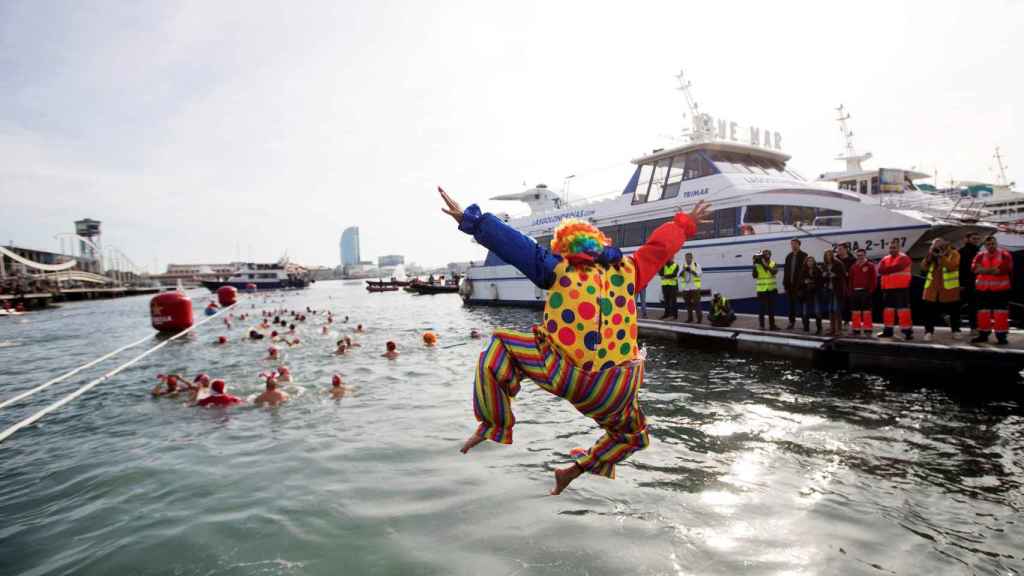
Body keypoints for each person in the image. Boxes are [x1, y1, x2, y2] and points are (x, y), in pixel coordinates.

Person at [441, 186, 708, 495]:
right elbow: (659, 248)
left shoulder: (559, 268)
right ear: (603, 246)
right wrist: (684, 224)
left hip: (567, 373)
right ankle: (574, 470)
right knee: (634, 437)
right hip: (616, 388)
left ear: (565, 248)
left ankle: (494, 425)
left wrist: (471, 220)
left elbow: (515, 246)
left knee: (501, 349)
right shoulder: (630, 270)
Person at [971, 235, 1013, 345]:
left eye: (993, 243)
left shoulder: (1004, 254)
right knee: (982, 313)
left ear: (996, 243)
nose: (991, 246)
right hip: (983, 290)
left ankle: (1001, 336)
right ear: (985, 245)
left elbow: (1005, 269)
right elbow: (974, 269)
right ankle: (983, 335)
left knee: (1001, 314)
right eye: (988, 244)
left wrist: (984, 270)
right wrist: (992, 270)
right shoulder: (980, 255)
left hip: (1000, 290)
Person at [921, 238, 961, 341]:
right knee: (929, 313)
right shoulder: (932, 254)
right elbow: (924, 267)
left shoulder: (954, 253)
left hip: (949, 290)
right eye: (935, 246)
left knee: (954, 312)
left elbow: (952, 266)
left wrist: (941, 256)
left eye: (939, 246)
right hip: (932, 290)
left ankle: (955, 330)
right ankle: (928, 332)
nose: (937, 248)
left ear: (945, 245)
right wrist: (930, 255)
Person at [877, 241, 914, 340]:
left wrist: (887, 269)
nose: (892, 250)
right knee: (888, 311)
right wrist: (890, 269)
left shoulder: (904, 258)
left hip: (901, 288)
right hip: (888, 289)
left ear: (899, 248)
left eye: (894, 248)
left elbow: (898, 267)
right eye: (891, 248)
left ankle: (907, 332)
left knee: (903, 311)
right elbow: (880, 269)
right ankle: (888, 331)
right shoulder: (885, 258)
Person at [848, 248, 877, 337]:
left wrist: (871, 291)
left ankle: (868, 328)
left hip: (865, 291)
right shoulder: (853, 266)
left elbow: (874, 279)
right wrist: (850, 291)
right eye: (858, 255)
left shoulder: (870, 265)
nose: (859, 257)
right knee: (855, 311)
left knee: (866, 311)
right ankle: (856, 329)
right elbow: (850, 280)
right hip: (855, 292)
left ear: (865, 255)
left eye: (861, 255)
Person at [820, 249, 848, 336]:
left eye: (829, 255)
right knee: (830, 310)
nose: (828, 257)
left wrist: (835, 275)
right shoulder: (824, 265)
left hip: (837, 290)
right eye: (826, 255)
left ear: (832, 255)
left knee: (837, 310)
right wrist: (824, 275)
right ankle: (832, 329)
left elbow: (844, 275)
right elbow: (823, 279)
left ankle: (838, 330)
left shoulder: (838, 263)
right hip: (829, 289)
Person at [959, 232, 982, 334]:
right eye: (974, 238)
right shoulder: (961, 252)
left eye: (977, 239)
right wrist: (960, 283)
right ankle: (952, 320)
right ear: (967, 239)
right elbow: (959, 269)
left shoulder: (979, 252)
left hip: (976, 283)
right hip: (965, 283)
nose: (976, 241)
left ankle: (974, 328)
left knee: (973, 306)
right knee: (957, 304)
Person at [783, 239, 808, 329]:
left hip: (800, 285)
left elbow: (806, 270)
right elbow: (786, 271)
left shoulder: (804, 255)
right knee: (791, 305)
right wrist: (785, 284)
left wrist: (804, 283)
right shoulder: (788, 256)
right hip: (790, 285)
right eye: (792, 244)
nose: (793, 245)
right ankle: (791, 322)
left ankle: (805, 323)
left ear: (799, 245)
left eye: (795, 244)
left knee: (802, 305)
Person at [752, 249, 780, 330]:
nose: (766, 255)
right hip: (761, 290)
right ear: (762, 256)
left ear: (770, 255)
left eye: (768, 254)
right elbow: (754, 276)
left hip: (771, 290)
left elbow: (774, 272)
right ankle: (761, 326)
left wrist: (766, 265)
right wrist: (754, 266)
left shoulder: (773, 263)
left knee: (771, 309)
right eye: (765, 254)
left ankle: (772, 325)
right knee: (762, 309)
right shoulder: (757, 265)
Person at [798, 255, 823, 334]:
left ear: (814, 262)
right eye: (808, 261)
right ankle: (806, 328)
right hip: (806, 293)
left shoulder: (818, 270)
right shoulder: (803, 270)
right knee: (805, 312)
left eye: (811, 261)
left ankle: (819, 328)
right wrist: (804, 282)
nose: (810, 263)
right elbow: (799, 282)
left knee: (817, 311)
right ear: (806, 262)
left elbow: (821, 281)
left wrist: (813, 282)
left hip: (815, 292)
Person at [680, 252, 703, 323]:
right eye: (686, 258)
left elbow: (699, 274)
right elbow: (678, 275)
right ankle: (690, 318)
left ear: (691, 258)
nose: (687, 259)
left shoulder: (696, 265)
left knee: (697, 305)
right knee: (688, 305)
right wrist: (683, 270)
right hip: (686, 289)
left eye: (689, 258)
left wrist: (691, 271)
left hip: (695, 288)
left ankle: (699, 319)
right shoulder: (683, 265)